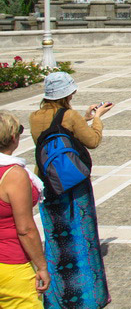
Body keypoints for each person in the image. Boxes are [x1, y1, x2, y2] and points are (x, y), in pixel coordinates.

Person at [30, 71, 112, 309]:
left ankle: (58, 296)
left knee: (57, 238)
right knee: (82, 237)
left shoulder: (35, 116)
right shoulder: (70, 115)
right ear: (68, 94)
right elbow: (93, 141)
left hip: (48, 182)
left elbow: (57, 135)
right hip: (73, 185)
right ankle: (89, 295)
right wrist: (97, 118)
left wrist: (82, 119)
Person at [0, 111, 49, 308]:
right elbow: (25, 229)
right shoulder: (14, 175)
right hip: (10, 261)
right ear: (13, 138)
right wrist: (42, 266)